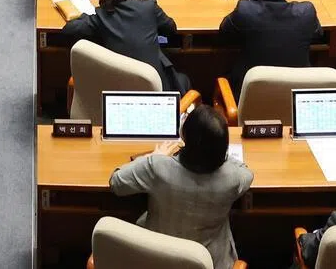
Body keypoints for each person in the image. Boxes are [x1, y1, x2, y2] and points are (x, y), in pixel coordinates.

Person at [108, 104, 253, 269]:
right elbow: (247, 173)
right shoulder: (233, 178)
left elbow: (116, 182)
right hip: (210, 262)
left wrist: (153, 156)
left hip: (157, 260)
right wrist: (219, 154)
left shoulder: (157, 167)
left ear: (184, 135)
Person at [59, 0, 187, 93]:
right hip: (156, 91)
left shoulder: (101, 17)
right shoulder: (149, 7)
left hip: (115, 92)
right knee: (184, 79)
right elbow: (171, 29)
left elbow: (68, 30)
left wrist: (86, 15)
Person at [218, 0, 321, 94]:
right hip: (296, 93)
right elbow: (318, 35)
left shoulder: (246, 10)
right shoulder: (306, 11)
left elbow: (224, 32)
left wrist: (252, 3)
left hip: (250, 95)